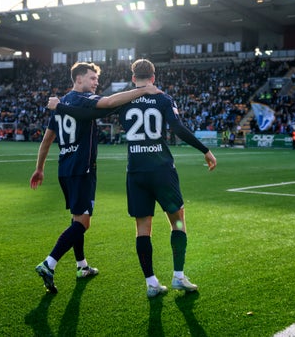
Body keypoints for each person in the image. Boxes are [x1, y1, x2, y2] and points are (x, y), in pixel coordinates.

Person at [52, 58, 217, 297]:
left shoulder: (123, 101)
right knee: (178, 219)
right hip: (161, 169)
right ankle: (178, 276)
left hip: (136, 171)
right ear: (153, 77)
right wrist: (206, 150)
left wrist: (60, 106)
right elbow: (178, 129)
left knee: (143, 227)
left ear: (133, 79)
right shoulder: (162, 98)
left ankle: (151, 283)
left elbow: (86, 114)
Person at [29, 61, 160, 294]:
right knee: (83, 223)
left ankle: (82, 266)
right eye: (92, 78)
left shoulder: (61, 104)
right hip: (82, 169)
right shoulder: (82, 100)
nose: (96, 83)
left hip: (64, 169)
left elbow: (47, 140)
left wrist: (39, 168)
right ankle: (49, 263)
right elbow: (109, 102)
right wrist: (143, 89)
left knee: (77, 218)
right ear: (78, 79)